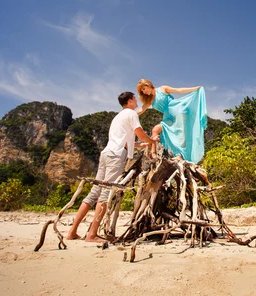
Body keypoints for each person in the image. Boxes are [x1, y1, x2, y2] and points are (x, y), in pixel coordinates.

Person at [66, 91, 158, 242]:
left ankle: (72, 232)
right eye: (135, 98)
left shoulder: (118, 117)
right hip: (116, 156)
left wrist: (144, 144)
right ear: (129, 101)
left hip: (106, 154)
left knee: (94, 193)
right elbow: (140, 133)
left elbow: (130, 143)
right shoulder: (131, 114)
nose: (136, 101)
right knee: (105, 194)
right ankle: (92, 235)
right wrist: (152, 141)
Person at [136, 78, 207, 163]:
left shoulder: (163, 89)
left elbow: (179, 90)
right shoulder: (150, 100)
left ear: (148, 85)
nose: (144, 92)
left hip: (178, 110)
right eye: (142, 91)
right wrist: (127, 114)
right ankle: (154, 153)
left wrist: (195, 88)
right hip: (167, 116)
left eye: (143, 89)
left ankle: (180, 156)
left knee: (181, 135)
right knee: (156, 129)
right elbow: (141, 110)